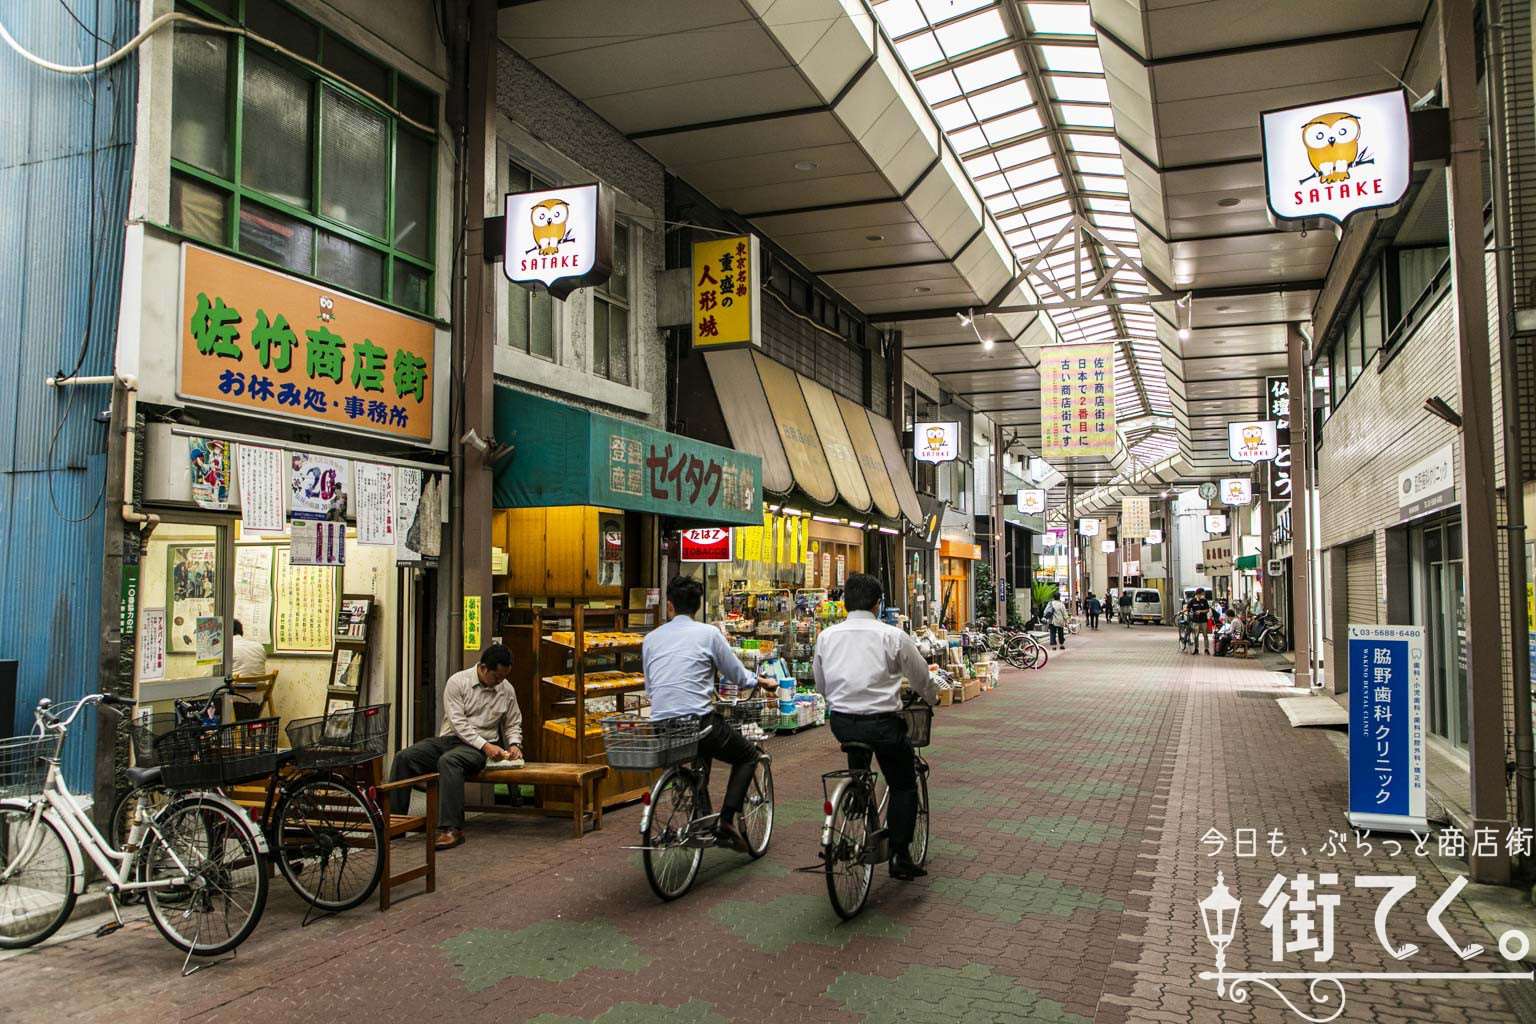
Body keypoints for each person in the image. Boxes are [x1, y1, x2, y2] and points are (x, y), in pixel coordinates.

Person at [814, 573, 939, 880]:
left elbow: (821, 684)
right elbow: (921, 676)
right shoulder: (892, 635)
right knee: (903, 784)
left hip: (842, 723)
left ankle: (857, 800)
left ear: (845, 604)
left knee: (860, 767)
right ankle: (899, 854)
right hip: (883, 725)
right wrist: (932, 698)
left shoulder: (827, 636)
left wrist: (841, 699)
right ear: (877, 604)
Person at [642, 575, 772, 853]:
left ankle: (702, 817)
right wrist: (759, 681)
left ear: (669, 606)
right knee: (748, 755)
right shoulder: (708, 634)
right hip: (699, 723)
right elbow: (737, 674)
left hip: (662, 724)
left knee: (699, 750)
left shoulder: (650, 639)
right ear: (698, 607)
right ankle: (726, 821)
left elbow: (651, 689)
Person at [389, 644, 522, 850]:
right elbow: (458, 723)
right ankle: (394, 825)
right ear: (484, 668)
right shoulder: (458, 682)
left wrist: (514, 744)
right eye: (497, 677)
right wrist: (486, 745)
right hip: (451, 740)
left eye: (504, 677)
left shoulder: (506, 689)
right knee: (404, 757)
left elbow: (512, 722)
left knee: (449, 762)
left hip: (477, 751)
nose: (500, 682)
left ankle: (452, 829)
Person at [1186, 588, 1212, 655]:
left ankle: (1206, 649)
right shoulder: (1192, 601)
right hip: (1195, 621)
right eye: (1202, 594)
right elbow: (1188, 608)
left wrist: (1200, 611)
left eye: (1203, 594)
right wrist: (1186, 611)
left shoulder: (1204, 600)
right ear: (1198, 594)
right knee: (1196, 635)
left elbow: (1207, 610)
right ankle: (1196, 649)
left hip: (1204, 621)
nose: (1203, 595)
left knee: (1205, 635)